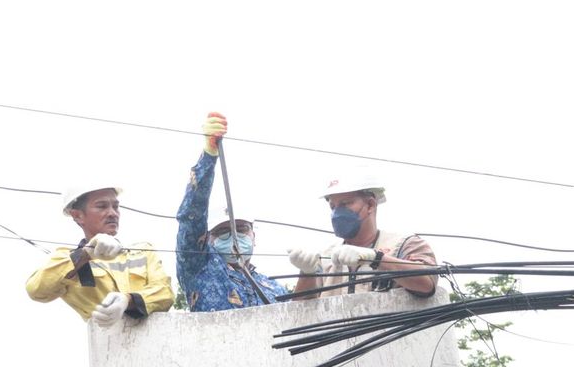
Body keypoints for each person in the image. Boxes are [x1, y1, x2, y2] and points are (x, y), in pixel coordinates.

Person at [175, 112, 286, 311]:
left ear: (254, 236)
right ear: (208, 239)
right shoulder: (199, 270)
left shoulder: (275, 288)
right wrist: (208, 157)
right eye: (222, 232)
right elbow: (191, 218)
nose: (234, 236)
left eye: (241, 229)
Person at [25, 183, 174, 326]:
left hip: (155, 343)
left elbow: (165, 294)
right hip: (106, 345)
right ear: (77, 216)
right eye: (102, 206)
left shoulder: (142, 252)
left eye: (115, 206)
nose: (112, 213)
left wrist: (128, 300)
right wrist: (86, 253)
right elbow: (37, 290)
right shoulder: (69, 261)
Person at [288, 171, 439, 299]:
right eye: (333, 206)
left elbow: (427, 284)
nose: (337, 213)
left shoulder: (404, 244)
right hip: (337, 335)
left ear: (370, 205)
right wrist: (307, 273)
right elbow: (300, 314)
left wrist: (376, 258)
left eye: (345, 203)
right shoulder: (326, 258)